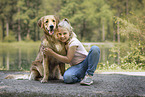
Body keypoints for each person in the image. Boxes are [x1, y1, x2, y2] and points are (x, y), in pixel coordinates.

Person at [42, 18, 100, 85]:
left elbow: (67, 60)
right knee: (67, 78)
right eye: (59, 34)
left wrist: (52, 53)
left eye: (64, 33)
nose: (62, 36)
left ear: (69, 33)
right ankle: (81, 78)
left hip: (85, 63)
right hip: (76, 67)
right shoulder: (64, 42)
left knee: (95, 48)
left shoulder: (73, 42)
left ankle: (89, 76)